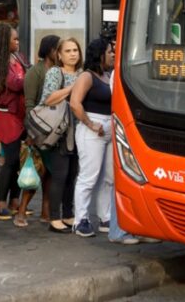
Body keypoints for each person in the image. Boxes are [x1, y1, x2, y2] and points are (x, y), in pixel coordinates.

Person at [70, 38, 115, 238]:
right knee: (89, 177)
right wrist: (90, 124)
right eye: (109, 51)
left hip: (109, 129)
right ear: (99, 54)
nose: (113, 54)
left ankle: (105, 217)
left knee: (109, 177)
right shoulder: (87, 76)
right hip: (92, 130)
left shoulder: (107, 75)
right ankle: (80, 220)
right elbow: (75, 103)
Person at [14, 34, 60, 227]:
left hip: (55, 130)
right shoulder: (35, 72)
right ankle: (21, 212)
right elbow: (29, 104)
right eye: (59, 49)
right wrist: (33, 132)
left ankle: (45, 212)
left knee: (50, 174)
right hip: (39, 129)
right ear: (49, 50)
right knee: (35, 173)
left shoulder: (59, 71)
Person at [0, 24, 28, 221]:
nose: (17, 43)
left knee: (19, 160)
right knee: (10, 160)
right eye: (14, 39)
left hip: (19, 113)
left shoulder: (18, 57)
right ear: (4, 41)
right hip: (5, 115)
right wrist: (32, 78)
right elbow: (15, 83)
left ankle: (15, 201)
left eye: (18, 39)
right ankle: (1, 201)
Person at [39, 37, 82, 233]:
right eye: (68, 51)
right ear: (59, 55)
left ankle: (68, 214)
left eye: (75, 50)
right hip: (59, 132)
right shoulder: (55, 73)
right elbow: (48, 98)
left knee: (72, 174)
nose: (73, 54)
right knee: (60, 175)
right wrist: (73, 88)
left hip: (79, 131)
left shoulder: (83, 73)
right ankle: (54, 218)